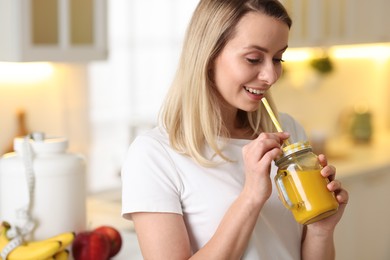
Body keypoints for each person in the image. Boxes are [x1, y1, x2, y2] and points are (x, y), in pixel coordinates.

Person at [121, 0, 349, 259]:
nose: (271, 76)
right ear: (208, 56)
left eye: (277, 58)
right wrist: (251, 195)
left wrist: (320, 230)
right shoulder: (154, 155)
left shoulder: (287, 131)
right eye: (253, 58)